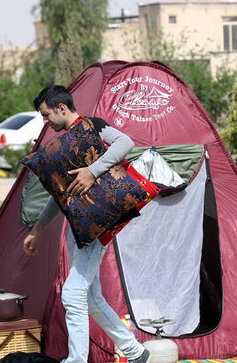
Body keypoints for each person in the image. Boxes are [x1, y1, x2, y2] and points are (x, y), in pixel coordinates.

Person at [23, 85, 150, 363]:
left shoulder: (94, 127)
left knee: (72, 294)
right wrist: (39, 228)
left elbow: (125, 142)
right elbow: (62, 194)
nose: (45, 121)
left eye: (46, 115)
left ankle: (77, 361)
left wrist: (92, 172)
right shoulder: (65, 145)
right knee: (90, 297)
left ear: (62, 108)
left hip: (97, 226)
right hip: (78, 226)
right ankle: (135, 351)